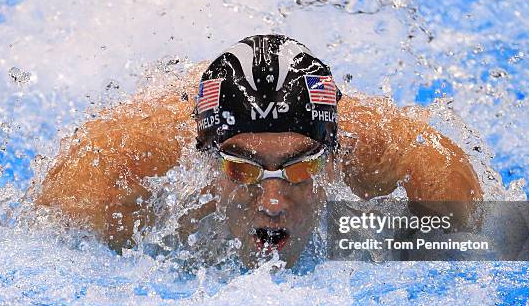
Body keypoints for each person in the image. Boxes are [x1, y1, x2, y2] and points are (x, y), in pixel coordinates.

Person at [37, 34, 482, 268]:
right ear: (204, 164)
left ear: (331, 158)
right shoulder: (107, 185)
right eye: (242, 170)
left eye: (302, 167)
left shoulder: (395, 160)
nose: (272, 204)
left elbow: (485, 234)